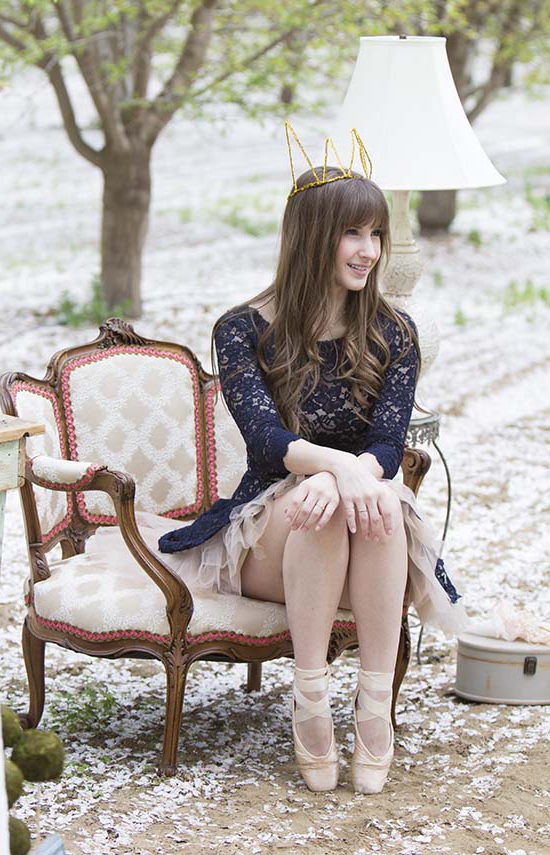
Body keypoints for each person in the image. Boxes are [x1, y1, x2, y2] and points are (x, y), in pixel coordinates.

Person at [158, 126, 467, 793]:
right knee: (320, 507)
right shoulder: (242, 328)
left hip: (364, 510)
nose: (369, 250)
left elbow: (387, 444)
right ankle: (312, 700)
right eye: (352, 233)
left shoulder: (394, 332)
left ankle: (375, 708)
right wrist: (334, 469)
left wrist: (351, 476)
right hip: (271, 522)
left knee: (379, 503)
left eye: (376, 234)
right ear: (310, 236)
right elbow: (266, 440)